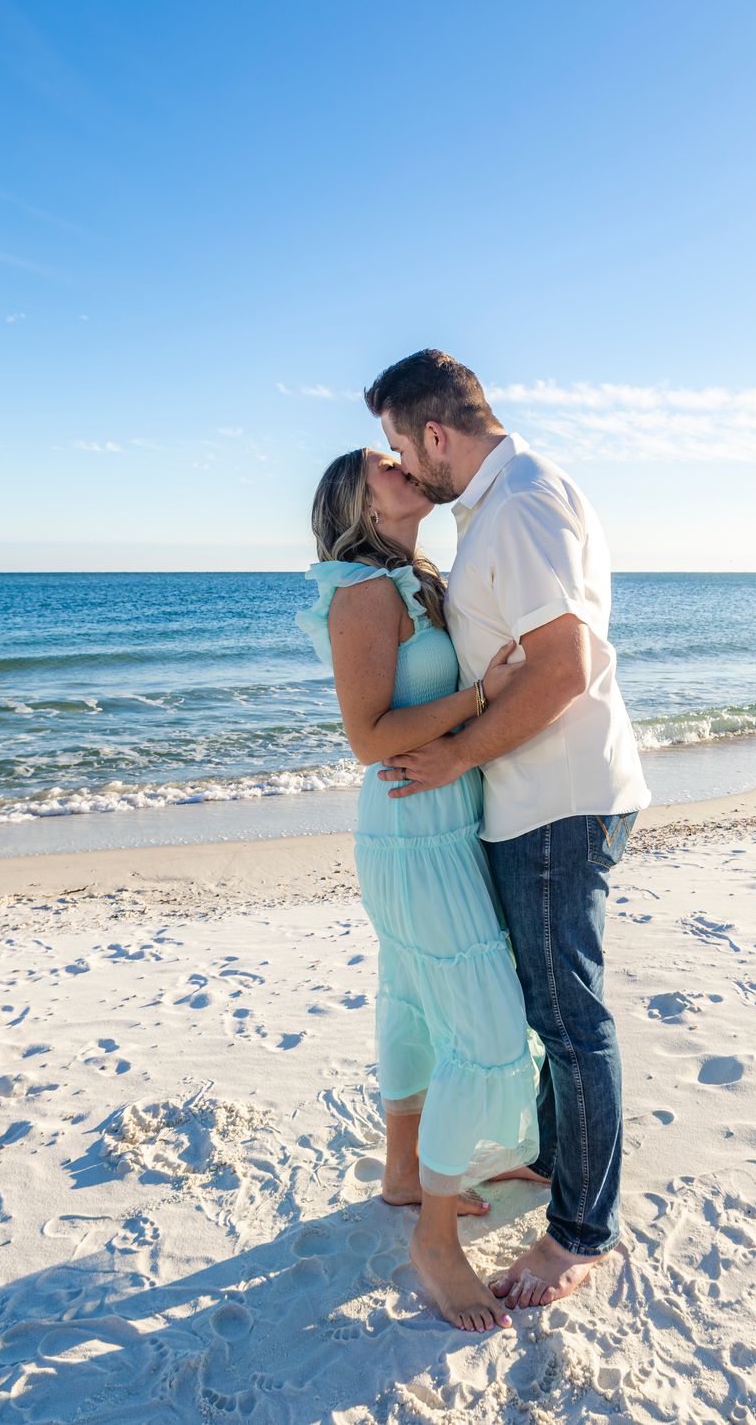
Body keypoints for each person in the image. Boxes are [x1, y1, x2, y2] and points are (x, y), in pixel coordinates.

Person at [364, 349, 652, 1312]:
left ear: (435, 434)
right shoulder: (498, 505)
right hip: (532, 798)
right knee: (545, 1011)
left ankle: (578, 1234)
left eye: (405, 444)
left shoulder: (521, 503)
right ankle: (542, 1164)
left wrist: (452, 756)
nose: (405, 463)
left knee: (569, 1021)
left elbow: (565, 668)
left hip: (554, 801)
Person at [295, 447, 546, 1334]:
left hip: (436, 818)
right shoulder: (363, 590)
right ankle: (434, 1240)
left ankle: (404, 1173)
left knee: (410, 997)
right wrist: (483, 693)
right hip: (410, 825)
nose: (406, 466)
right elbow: (367, 737)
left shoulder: (416, 578)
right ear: (359, 499)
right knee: (483, 1028)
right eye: (385, 465)